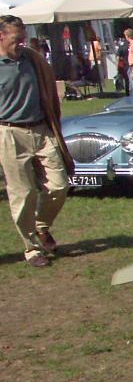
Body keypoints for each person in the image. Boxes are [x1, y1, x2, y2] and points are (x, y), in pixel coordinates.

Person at [0, 15, 72, 267]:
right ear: (1, 36)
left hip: (41, 130)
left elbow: (48, 90)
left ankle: (42, 226)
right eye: (15, 39)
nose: (21, 44)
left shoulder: (33, 59)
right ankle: (31, 248)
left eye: (23, 39)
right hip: (9, 133)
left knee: (59, 185)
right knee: (23, 193)